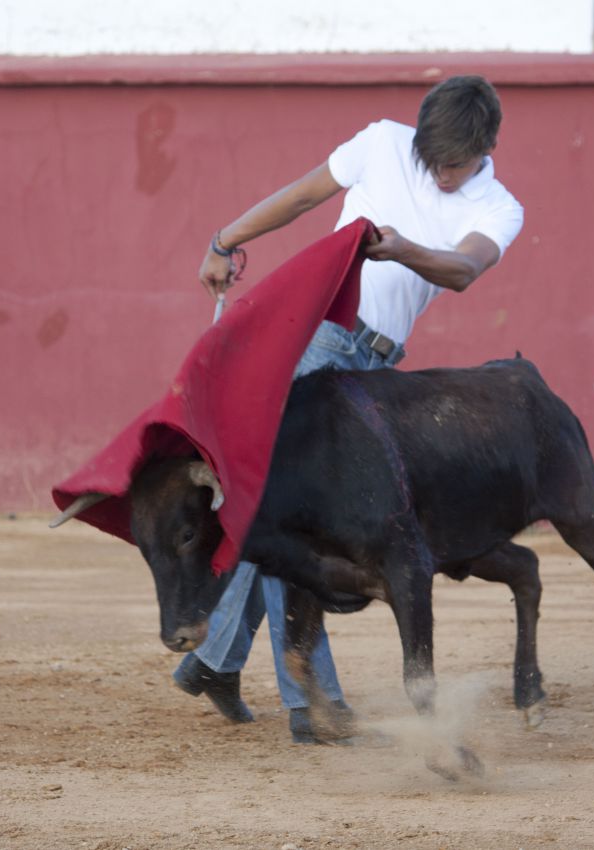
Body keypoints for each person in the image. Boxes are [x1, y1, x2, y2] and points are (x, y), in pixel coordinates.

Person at [172, 75, 524, 743]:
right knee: (300, 514)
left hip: (379, 370)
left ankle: (216, 659)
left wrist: (398, 247)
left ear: (483, 150)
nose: (437, 172)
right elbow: (305, 196)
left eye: (451, 164)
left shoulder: (500, 206)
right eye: (430, 158)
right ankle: (311, 704)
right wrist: (224, 241)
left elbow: (463, 269)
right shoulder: (384, 143)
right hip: (319, 337)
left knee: (290, 513)